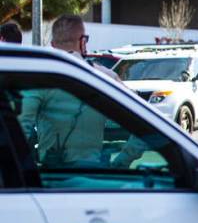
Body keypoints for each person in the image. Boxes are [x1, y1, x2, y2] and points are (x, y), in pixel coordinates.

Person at [19, 14, 140, 167]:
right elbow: (146, 127)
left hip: (53, 178)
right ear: (83, 41)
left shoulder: (40, 80)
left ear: (53, 44)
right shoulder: (107, 78)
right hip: (93, 177)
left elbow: (19, 130)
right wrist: (120, 164)